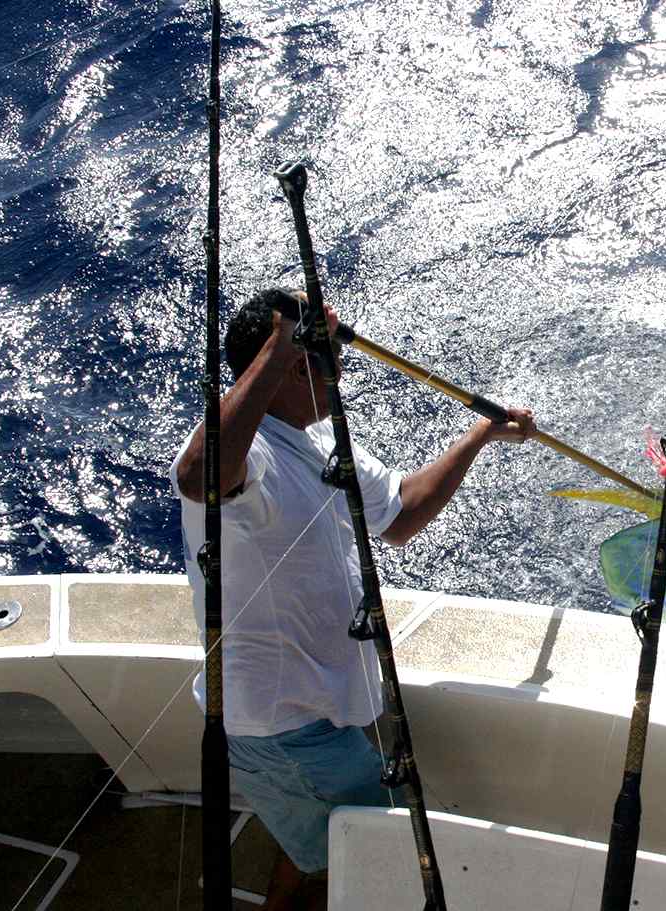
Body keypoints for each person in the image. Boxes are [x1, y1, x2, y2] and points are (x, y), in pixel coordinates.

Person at [170, 286, 535, 910]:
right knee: (386, 853)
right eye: (327, 355)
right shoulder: (244, 449)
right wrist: (285, 339)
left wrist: (480, 436)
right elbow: (198, 476)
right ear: (288, 367)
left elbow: (399, 516)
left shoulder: (319, 443)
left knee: (323, 841)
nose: (341, 370)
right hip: (281, 725)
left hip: (314, 716)